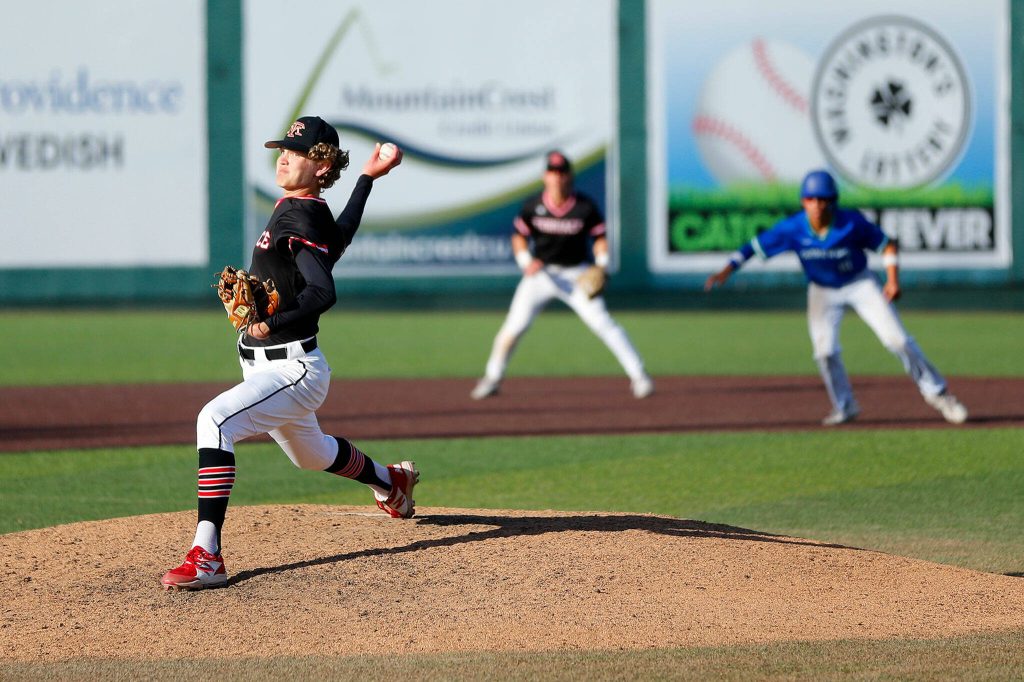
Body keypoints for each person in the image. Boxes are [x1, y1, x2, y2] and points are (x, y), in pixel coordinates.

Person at [161, 116, 416, 590]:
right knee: (310, 454)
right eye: (283, 148)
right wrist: (366, 179)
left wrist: (269, 321)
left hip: (293, 368)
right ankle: (390, 482)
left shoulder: (299, 214)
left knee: (214, 421)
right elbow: (337, 242)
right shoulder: (304, 208)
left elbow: (323, 292)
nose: (284, 156)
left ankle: (207, 554)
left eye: (296, 152)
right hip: (270, 366)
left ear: (321, 165)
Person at [704, 169, 968, 426]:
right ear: (803, 201)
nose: (817, 205)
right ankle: (845, 406)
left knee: (897, 340)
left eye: (824, 199)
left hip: (860, 283)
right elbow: (753, 247)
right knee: (824, 352)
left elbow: (887, 244)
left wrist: (892, 279)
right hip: (822, 290)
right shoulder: (793, 228)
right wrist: (726, 270)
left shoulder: (850, 223)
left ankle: (939, 394)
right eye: (811, 199)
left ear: (833, 201)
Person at [470, 150, 653, 400]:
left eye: (561, 173)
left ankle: (639, 376)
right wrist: (525, 261)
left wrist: (601, 264)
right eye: (552, 173)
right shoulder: (534, 205)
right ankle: (492, 378)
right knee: (513, 327)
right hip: (541, 275)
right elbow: (518, 237)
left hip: (577, 275)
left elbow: (599, 238)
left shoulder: (584, 207)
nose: (557, 178)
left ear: (569, 176)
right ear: (545, 177)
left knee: (603, 324)